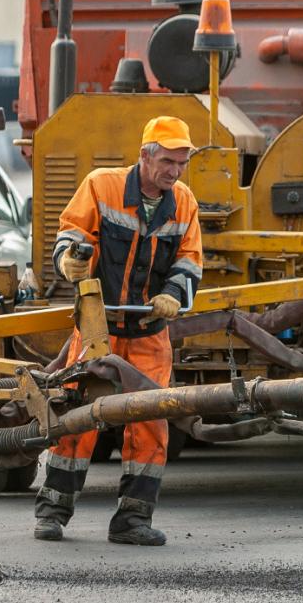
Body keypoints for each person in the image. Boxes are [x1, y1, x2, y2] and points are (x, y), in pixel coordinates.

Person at [34, 116, 203, 546]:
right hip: (98, 327)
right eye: (167, 161)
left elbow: (189, 261)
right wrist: (68, 262)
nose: (174, 171)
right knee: (76, 415)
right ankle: (52, 511)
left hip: (148, 331)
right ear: (145, 156)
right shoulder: (101, 186)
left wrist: (173, 294)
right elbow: (71, 236)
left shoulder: (183, 203)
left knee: (150, 422)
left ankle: (133, 520)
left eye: (181, 163)